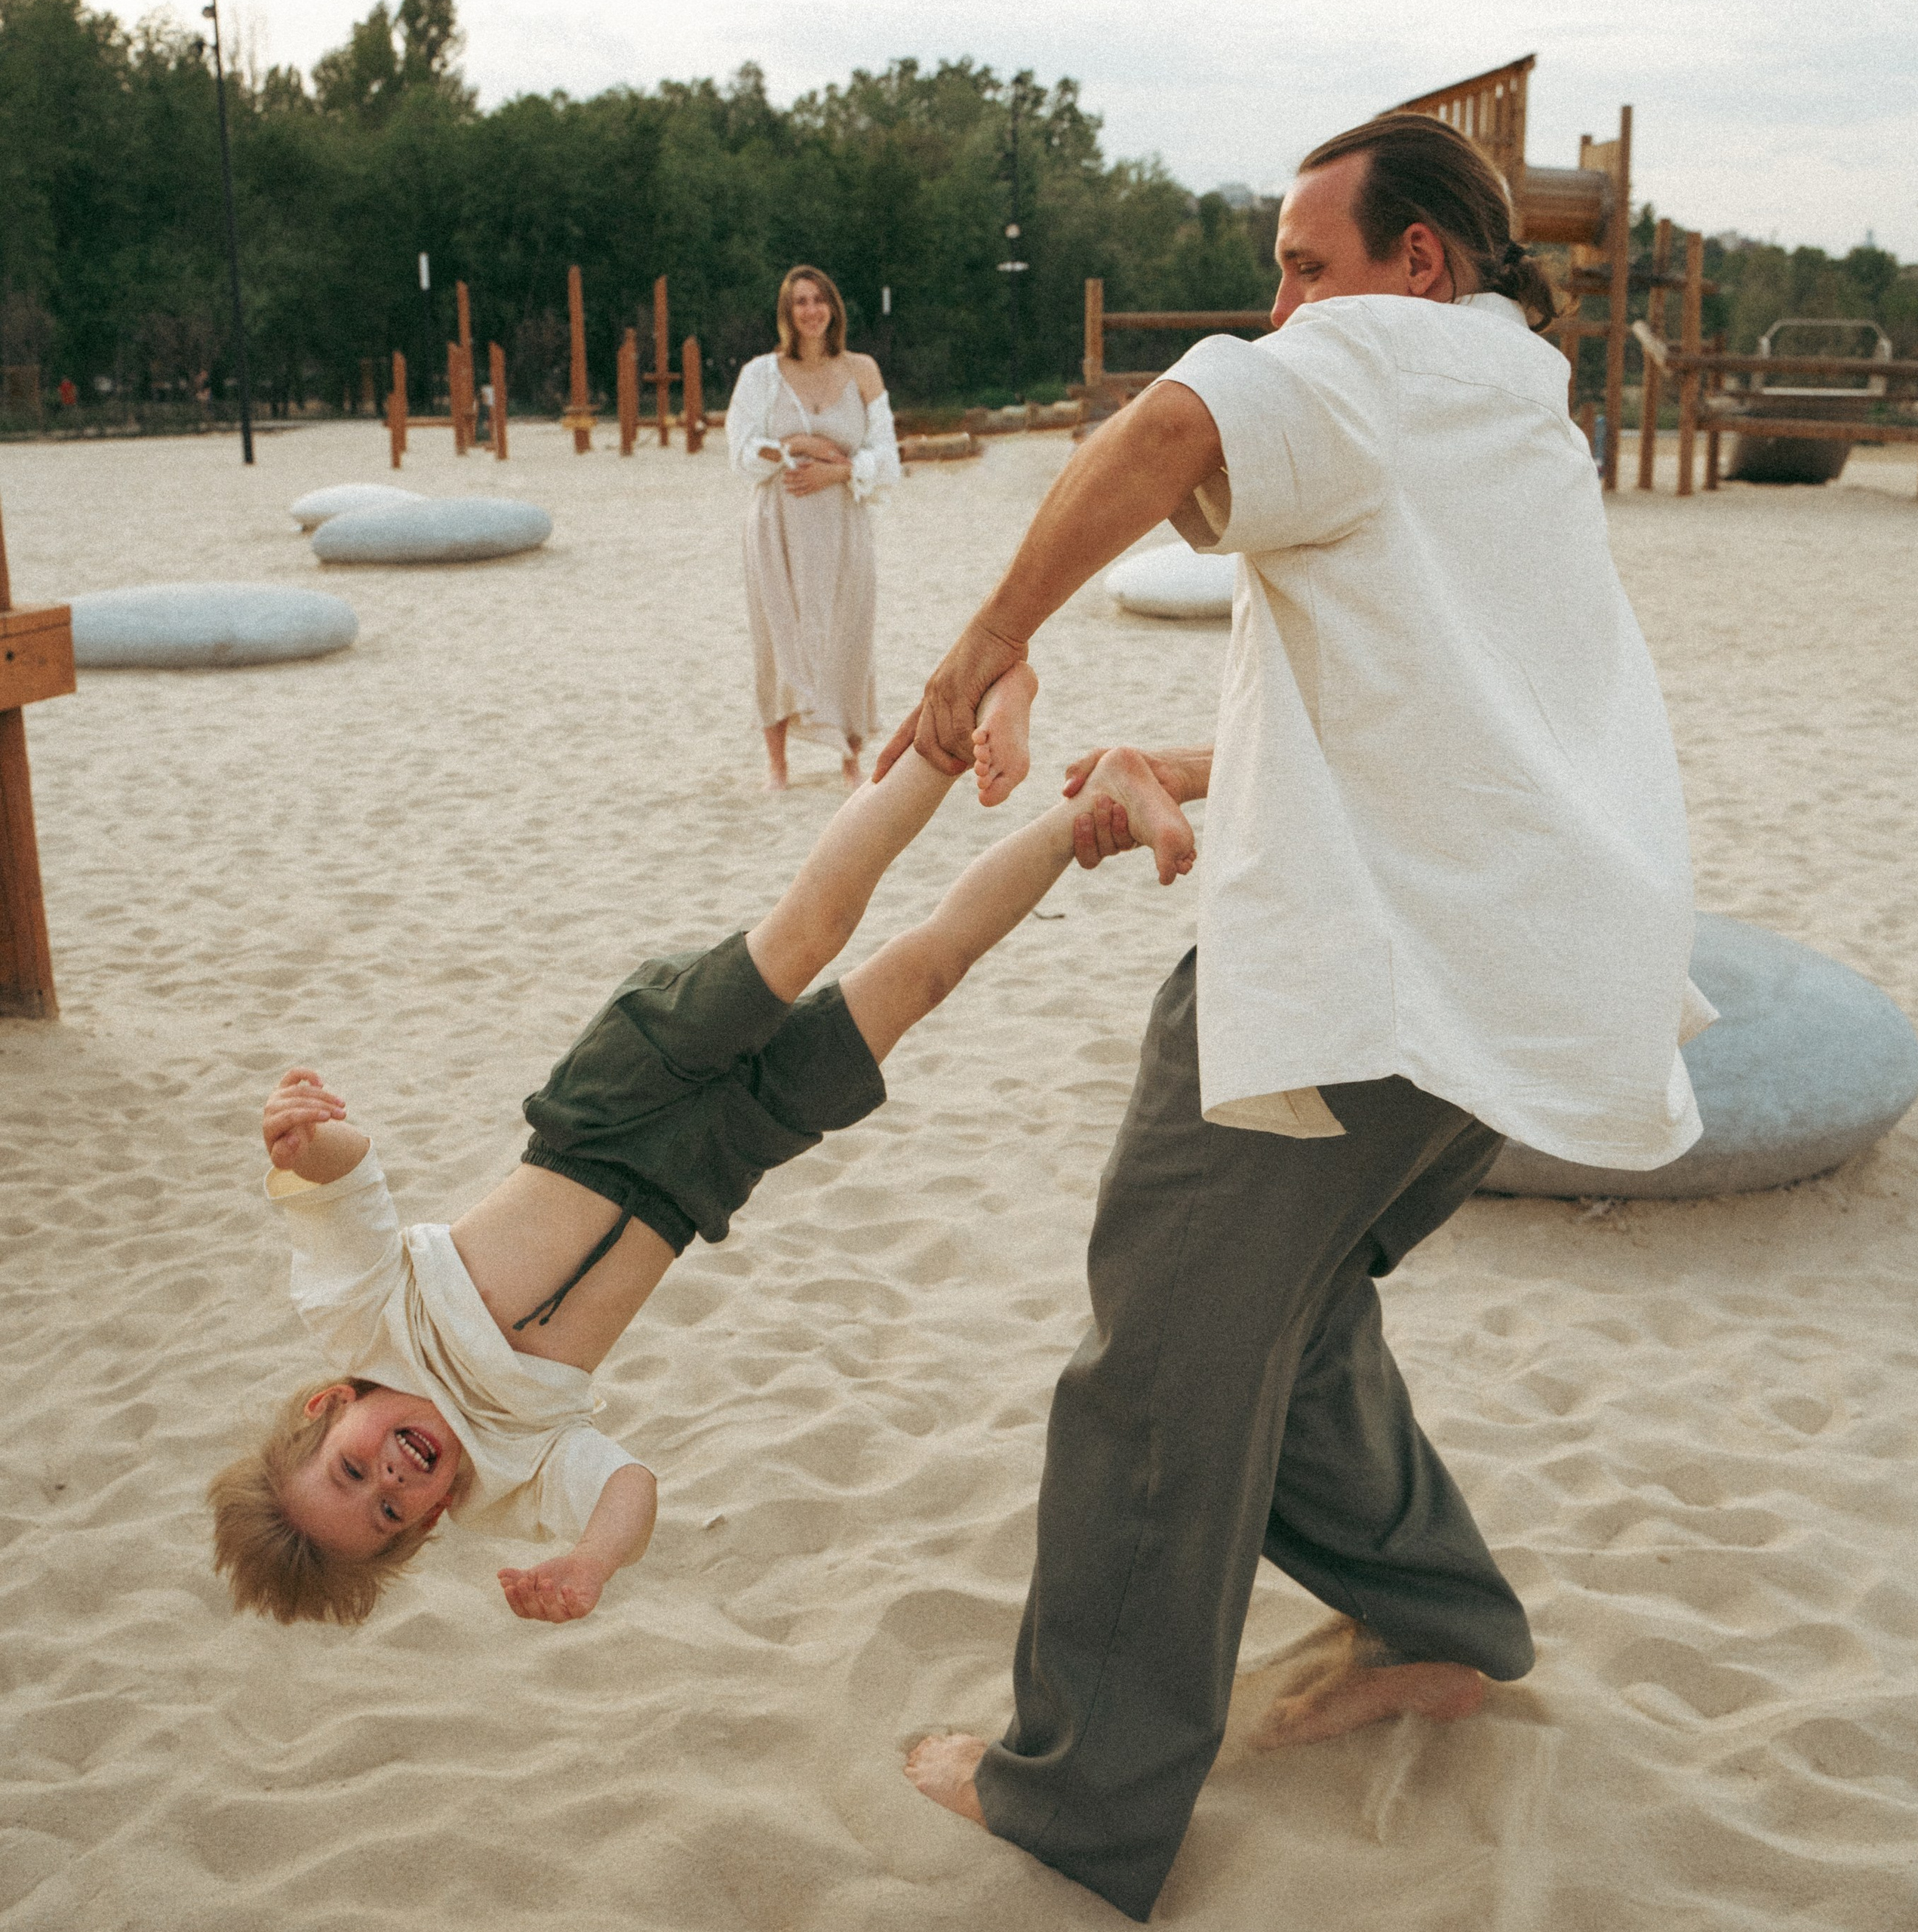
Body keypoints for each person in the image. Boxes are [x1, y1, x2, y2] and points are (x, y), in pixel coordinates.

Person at [887, 112, 1714, 1920]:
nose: (1278, 307)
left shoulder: (1387, 352)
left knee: (1166, 1348)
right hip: (1517, 973)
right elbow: (1450, 700)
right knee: (1298, 1313)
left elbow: (1166, 425)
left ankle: (1075, 1794)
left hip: (1371, 988)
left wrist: (988, 641)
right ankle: (1433, 1622)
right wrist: (1201, 757)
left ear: (1420, 259)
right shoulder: (1511, 407)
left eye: (1301, 263)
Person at [208, 667, 1198, 1629]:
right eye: (386, 1511)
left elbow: (348, 1181)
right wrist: (593, 1560)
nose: (390, 1476)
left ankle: (956, 719)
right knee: (921, 977)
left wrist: (303, 1135)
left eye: (351, 1466)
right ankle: (1087, 811)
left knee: (811, 928)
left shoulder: (357, 1318)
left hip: (612, 1101)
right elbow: (630, 1488)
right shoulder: (511, 1478)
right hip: (711, 1169)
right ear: (422, 1531)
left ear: (329, 1405)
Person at [724, 265, 902, 791]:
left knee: (849, 632)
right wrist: (798, 447)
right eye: (800, 302)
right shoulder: (761, 374)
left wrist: (840, 470)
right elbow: (741, 451)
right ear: (787, 313)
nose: (811, 310)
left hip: (844, 523)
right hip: (777, 524)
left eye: (819, 300)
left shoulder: (863, 370)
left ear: (834, 309)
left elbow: (888, 457)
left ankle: (850, 759)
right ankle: (777, 764)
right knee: (778, 635)